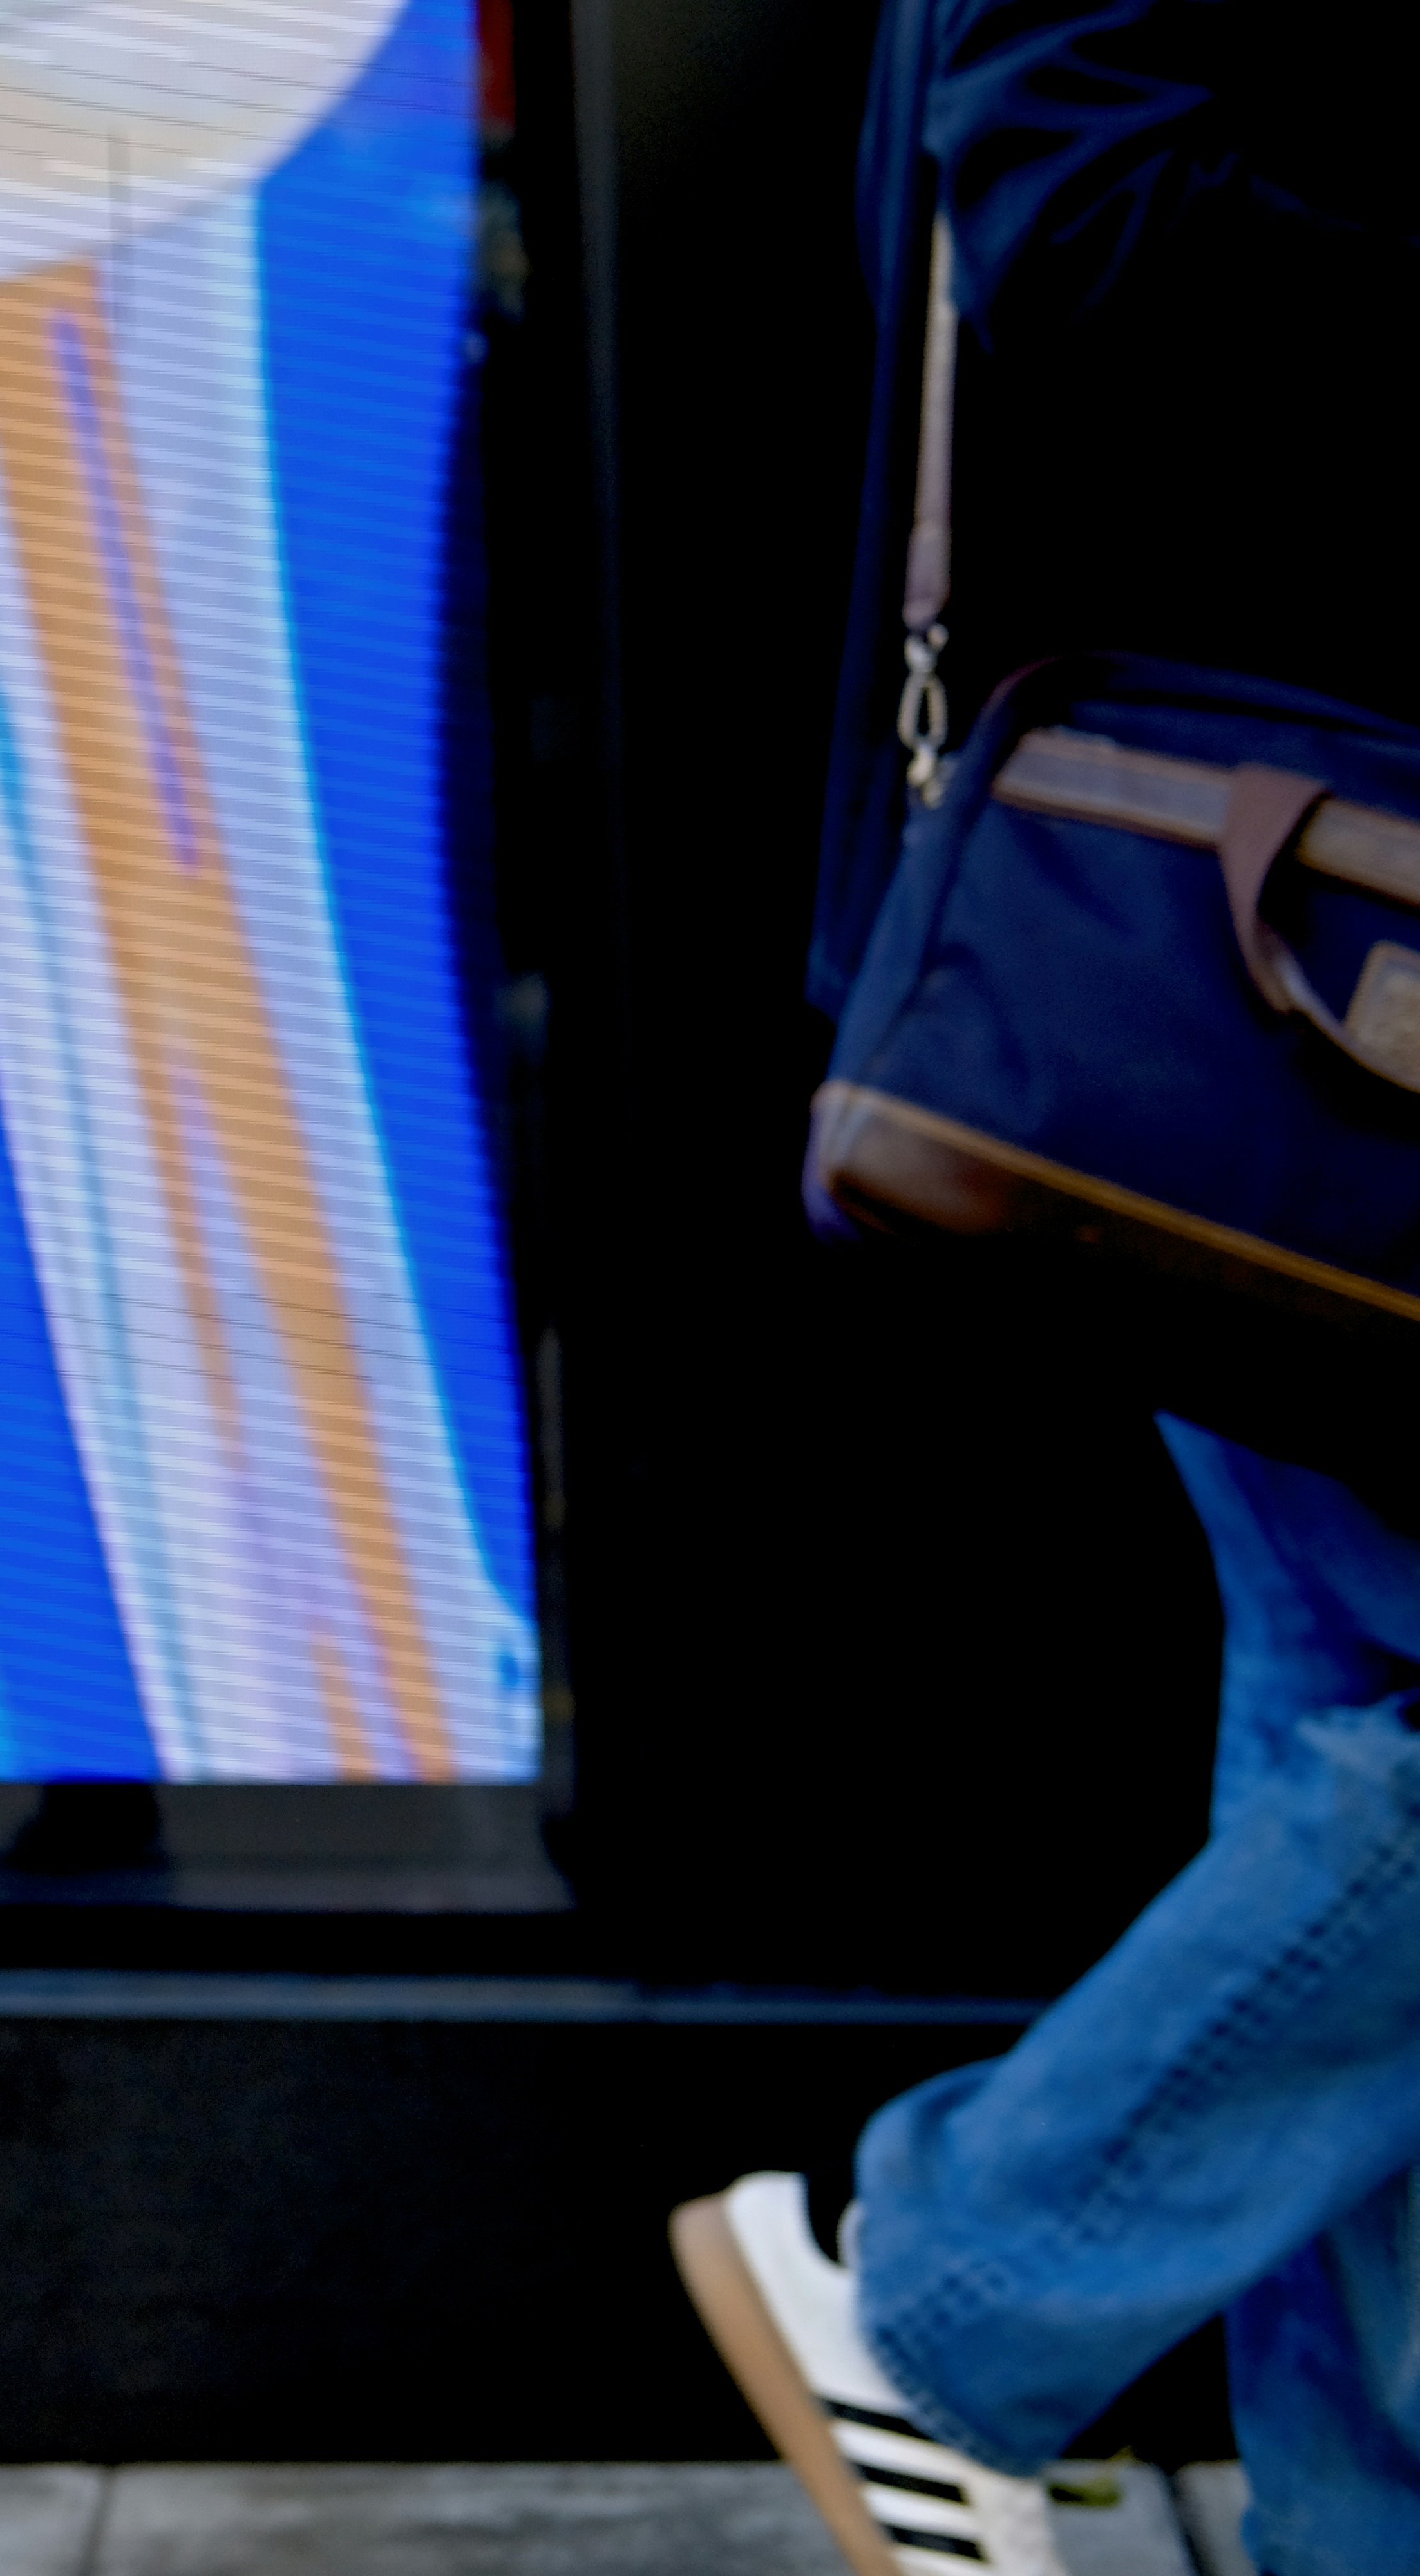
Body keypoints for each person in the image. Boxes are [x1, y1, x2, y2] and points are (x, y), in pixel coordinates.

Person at [679, 7, 1420, 2575]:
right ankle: (943, 2284)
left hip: (1334, 928)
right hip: (1306, 949)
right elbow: (1084, 221)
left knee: (1357, 1727)